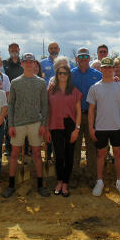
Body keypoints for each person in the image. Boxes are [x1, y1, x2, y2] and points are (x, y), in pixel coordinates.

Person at [3, 53, 50, 198]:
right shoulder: (15, 82)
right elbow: (10, 105)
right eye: (26, 61)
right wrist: (10, 124)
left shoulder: (41, 82)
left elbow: (44, 105)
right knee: (14, 154)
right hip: (18, 124)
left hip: (36, 123)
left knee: (37, 154)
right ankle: (11, 185)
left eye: (31, 62)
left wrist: (43, 124)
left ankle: (40, 185)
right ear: (22, 64)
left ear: (35, 64)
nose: (29, 64)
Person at [87, 57, 120, 197]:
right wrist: (91, 128)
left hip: (117, 127)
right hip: (100, 127)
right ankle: (99, 181)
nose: (107, 70)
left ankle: (119, 181)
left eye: (109, 67)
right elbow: (91, 110)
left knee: (118, 154)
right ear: (101, 69)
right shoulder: (95, 87)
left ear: (113, 69)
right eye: (104, 67)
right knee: (100, 155)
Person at [46, 64, 82, 197]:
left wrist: (77, 129)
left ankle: (65, 183)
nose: (62, 75)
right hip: (55, 126)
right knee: (59, 156)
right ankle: (59, 181)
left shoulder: (74, 91)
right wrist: (47, 128)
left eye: (65, 73)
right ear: (56, 75)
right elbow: (48, 110)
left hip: (70, 125)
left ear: (68, 76)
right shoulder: (50, 91)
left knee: (69, 155)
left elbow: (78, 111)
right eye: (60, 73)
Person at [71, 47, 102, 186]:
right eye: (80, 57)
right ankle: (74, 174)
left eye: (85, 57)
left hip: (91, 115)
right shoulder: (71, 74)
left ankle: (91, 175)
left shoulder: (97, 74)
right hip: (75, 116)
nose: (83, 59)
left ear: (90, 58)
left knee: (91, 147)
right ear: (77, 59)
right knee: (75, 147)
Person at [3, 42, 24, 155]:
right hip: (8, 98)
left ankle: (21, 149)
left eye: (16, 48)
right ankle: (8, 148)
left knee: (21, 124)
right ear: (8, 50)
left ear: (19, 49)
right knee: (9, 124)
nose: (14, 50)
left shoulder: (24, 64)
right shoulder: (4, 64)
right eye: (12, 49)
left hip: (22, 98)